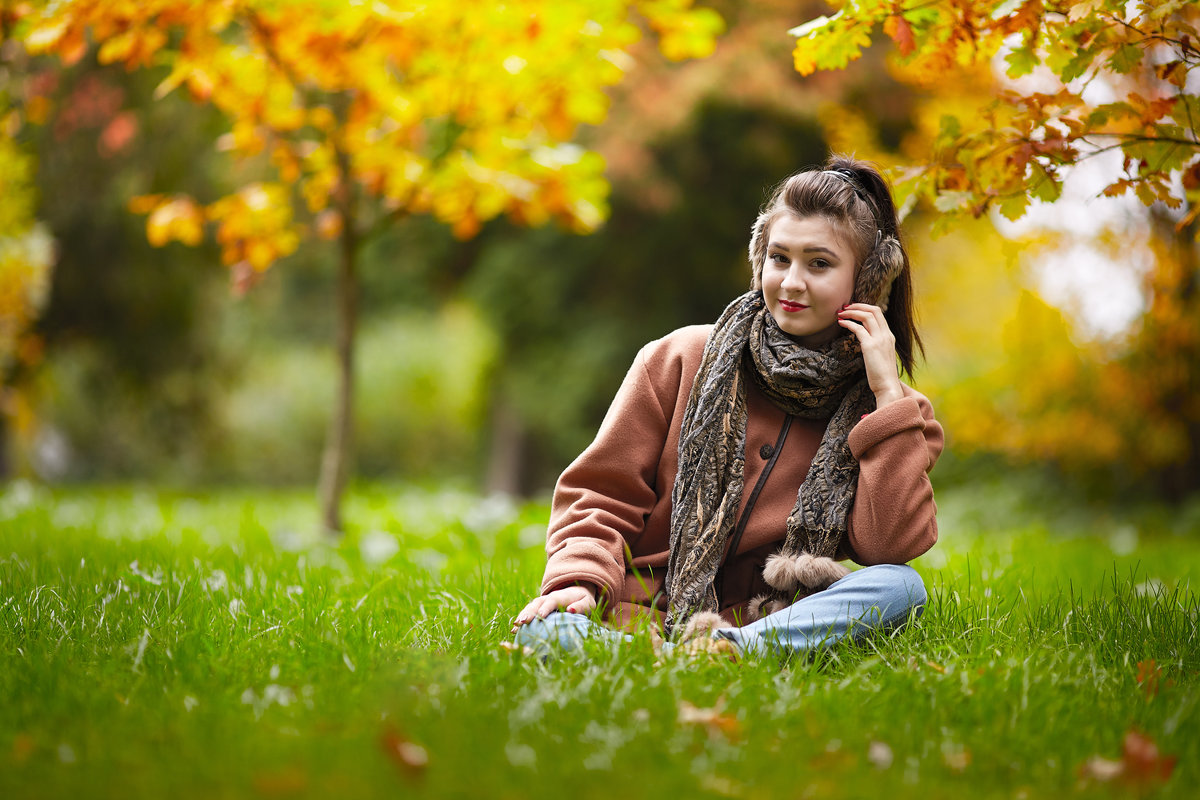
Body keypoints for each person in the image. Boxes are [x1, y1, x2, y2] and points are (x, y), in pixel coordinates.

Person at [510, 155, 943, 659]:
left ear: (866, 282)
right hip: (639, 611)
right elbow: (602, 493)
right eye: (780, 258)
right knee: (547, 631)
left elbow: (888, 547)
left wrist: (887, 395)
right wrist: (578, 581)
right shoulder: (678, 357)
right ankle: (683, 656)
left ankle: (729, 648)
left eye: (819, 263)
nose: (792, 282)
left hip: (768, 617)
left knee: (901, 588)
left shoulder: (898, 413)